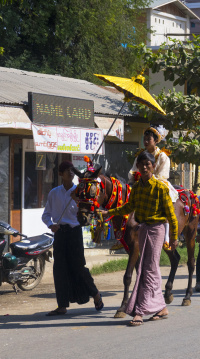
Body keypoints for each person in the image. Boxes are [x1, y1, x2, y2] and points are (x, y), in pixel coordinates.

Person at [100, 151, 178, 326]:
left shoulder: (160, 188)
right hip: (142, 230)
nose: (144, 167)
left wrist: (173, 237)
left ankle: (140, 311)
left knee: (146, 269)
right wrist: (109, 213)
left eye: (147, 164)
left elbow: (171, 216)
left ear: (153, 166)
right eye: (141, 164)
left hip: (157, 230)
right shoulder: (136, 188)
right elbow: (128, 207)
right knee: (151, 269)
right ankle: (161, 307)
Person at [42, 161, 103, 316]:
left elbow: (90, 210)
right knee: (59, 269)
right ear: (60, 174)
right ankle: (62, 306)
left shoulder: (81, 191)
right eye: (66, 170)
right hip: (60, 233)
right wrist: (51, 225)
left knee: (79, 267)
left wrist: (79, 201)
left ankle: (96, 295)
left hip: (75, 232)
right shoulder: (54, 193)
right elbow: (46, 214)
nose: (70, 172)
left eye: (72, 170)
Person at [114, 125, 177, 252]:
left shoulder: (163, 156)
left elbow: (163, 176)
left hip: (158, 184)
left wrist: (147, 177)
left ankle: (166, 238)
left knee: (164, 203)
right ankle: (122, 235)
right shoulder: (140, 156)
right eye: (145, 139)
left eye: (149, 139)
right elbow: (132, 170)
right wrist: (134, 177)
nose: (146, 141)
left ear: (155, 140)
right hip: (140, 183)